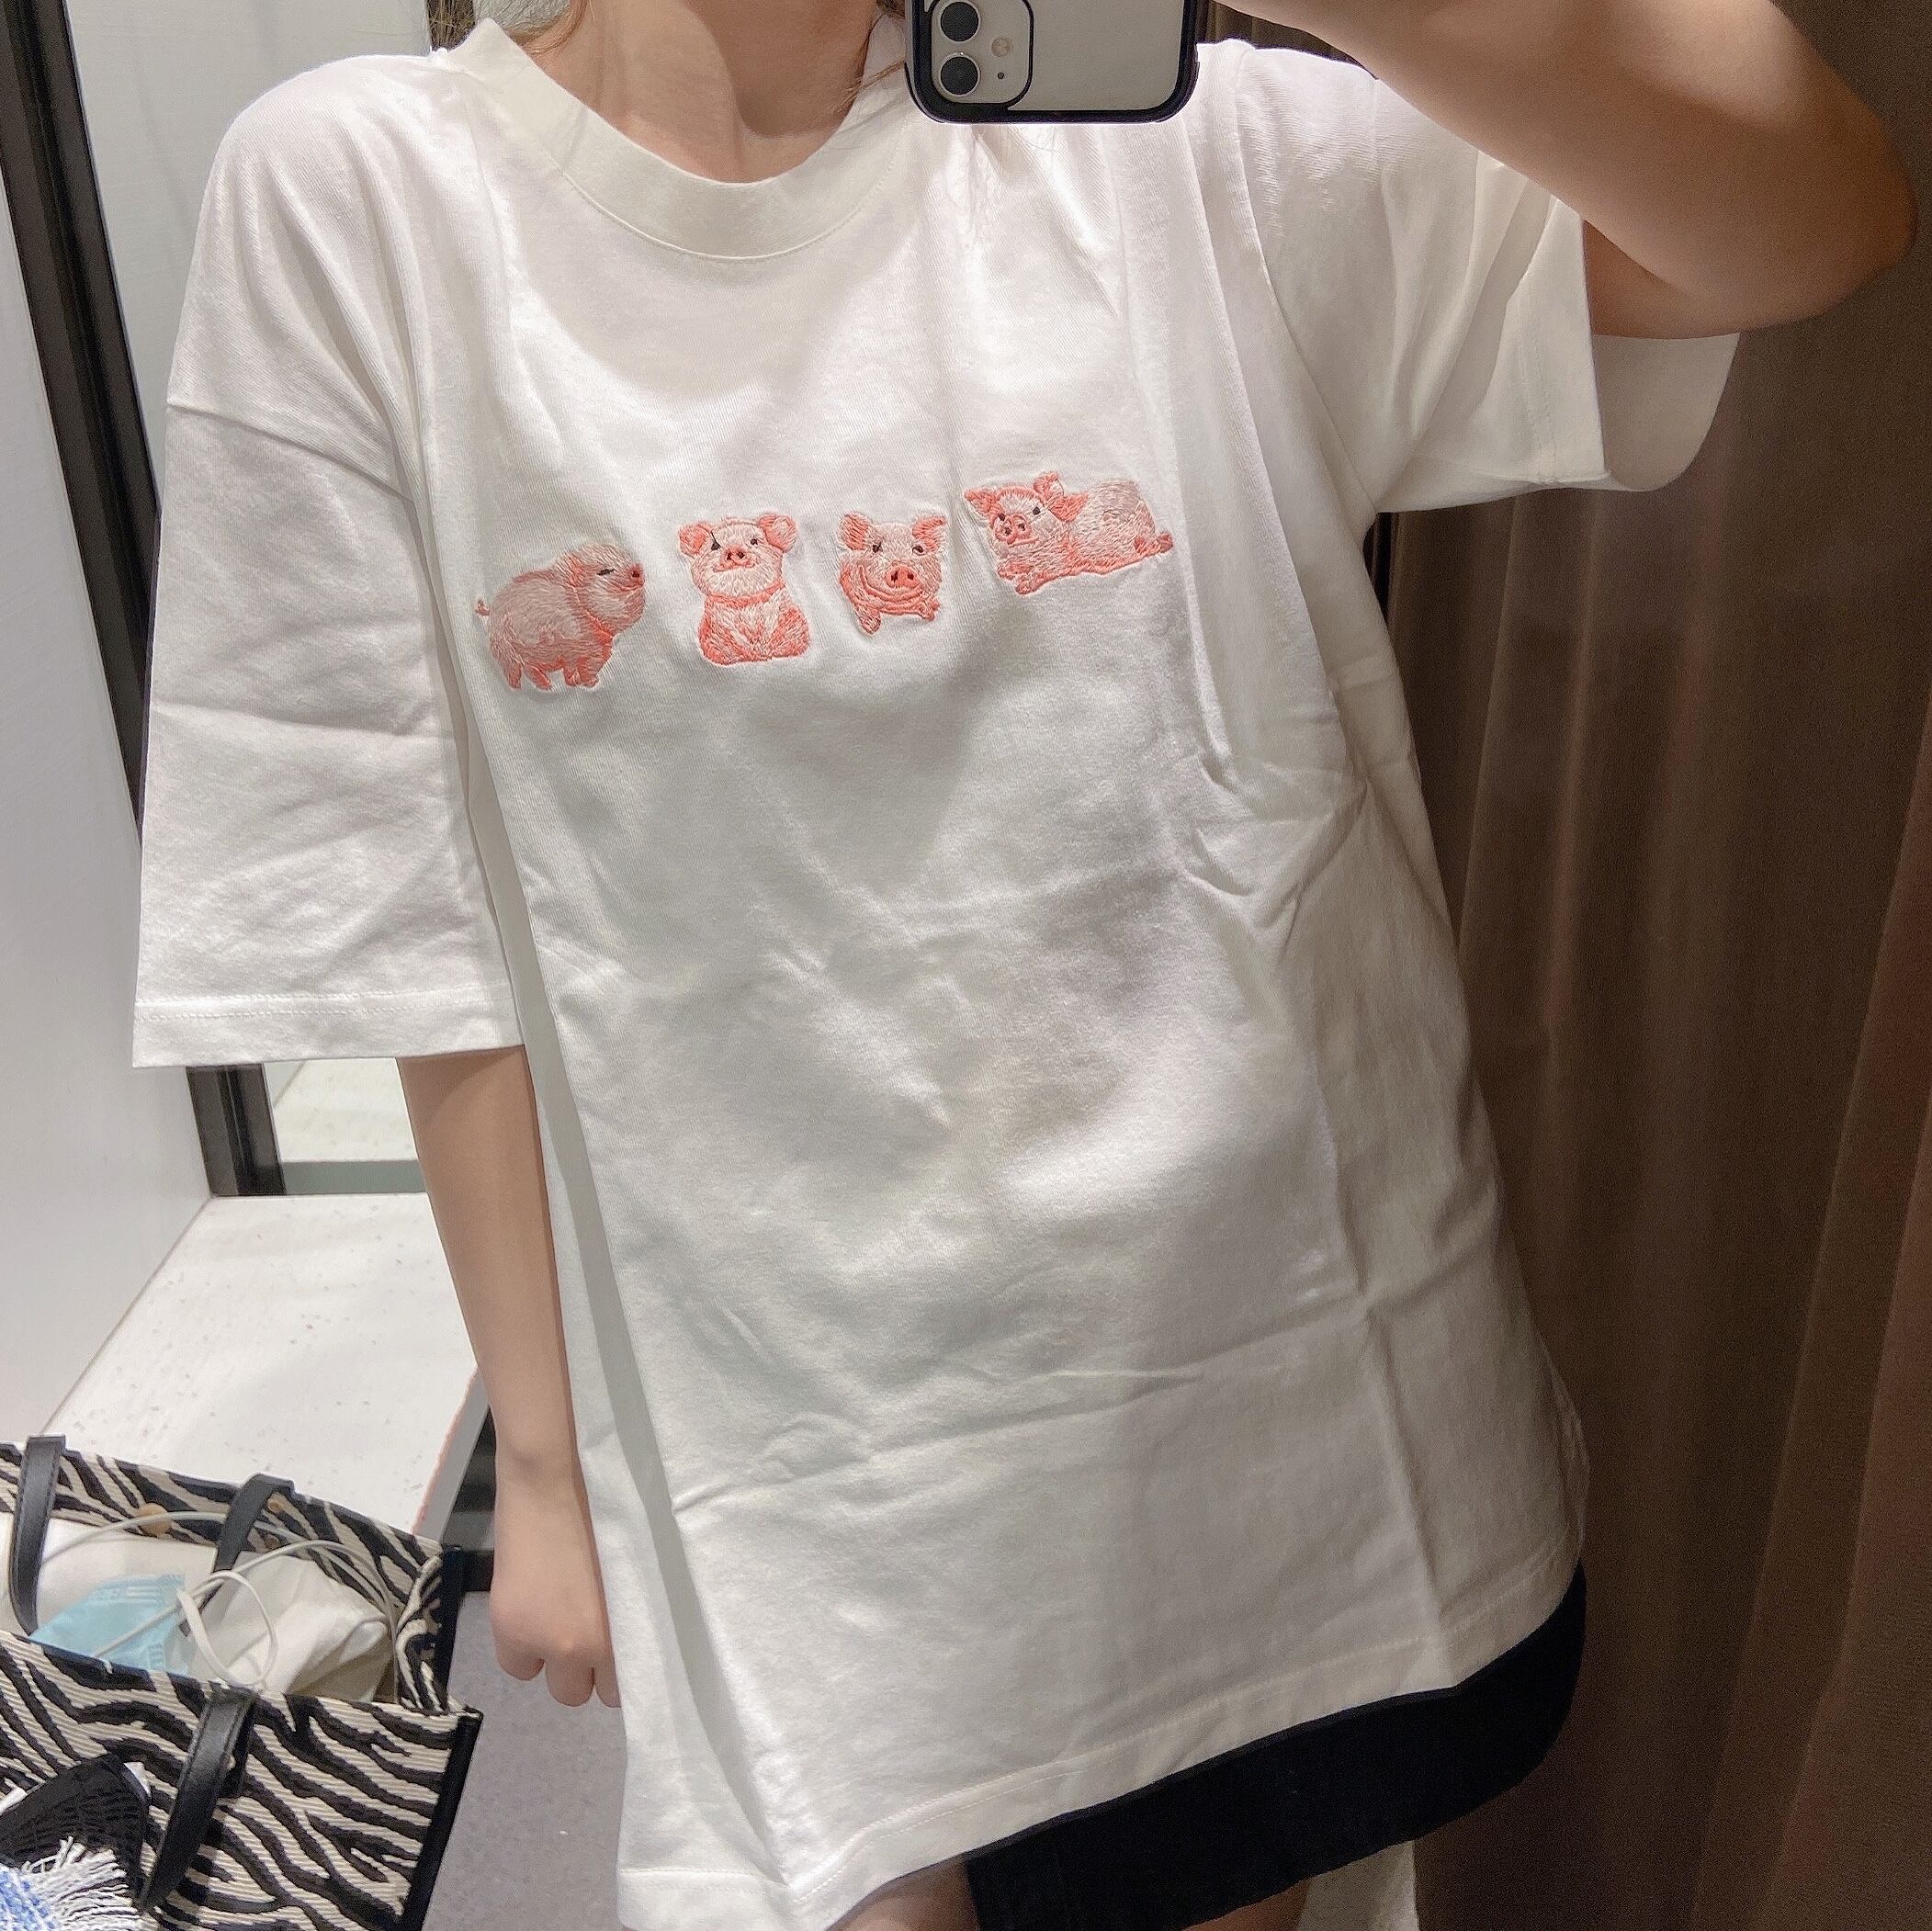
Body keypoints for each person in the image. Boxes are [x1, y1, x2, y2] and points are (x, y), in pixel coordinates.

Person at [128, 0, 1913, 1925]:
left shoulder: (1184, 152)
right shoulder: (367, 202)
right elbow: (408, 920)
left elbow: (1806, 213)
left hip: (1287, 1438)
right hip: (809, 1496)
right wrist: (543, 1463)